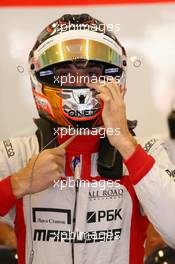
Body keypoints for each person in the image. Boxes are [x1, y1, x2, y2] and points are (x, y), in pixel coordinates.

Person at [1, 13, 175, 264]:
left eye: (92, 74)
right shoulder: (15, 154)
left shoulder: (145, 151)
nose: (80, 84)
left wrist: (126, 144)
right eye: (66, 74)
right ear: (44, 77)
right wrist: (17, 185)